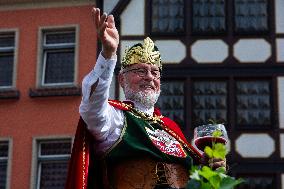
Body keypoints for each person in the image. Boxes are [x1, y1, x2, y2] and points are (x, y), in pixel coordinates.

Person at [65, 7, 226, 189]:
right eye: (139, 70)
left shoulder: (171, 128)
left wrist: (207, 171)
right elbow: (91, 104)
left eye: (154, 72)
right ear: (122, 80)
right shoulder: (114, 117)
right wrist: (108, 54)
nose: (149, 77)